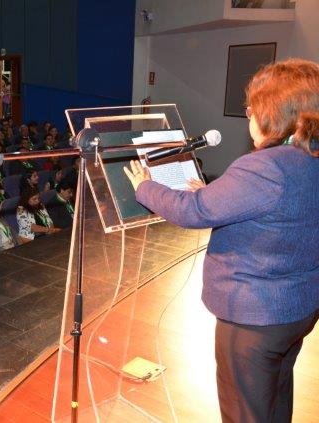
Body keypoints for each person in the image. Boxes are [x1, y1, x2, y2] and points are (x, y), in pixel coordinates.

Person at [123, 58, 319, 423]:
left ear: (274, 112)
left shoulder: (264, 167)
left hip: (253, 317)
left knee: (244, 413)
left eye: (251, 110)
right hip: (297, 307)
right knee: (275, 402)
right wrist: (213, 193)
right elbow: (279, 210)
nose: (249, 119)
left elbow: (192, 212)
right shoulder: (308, 158)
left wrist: (145, 187)